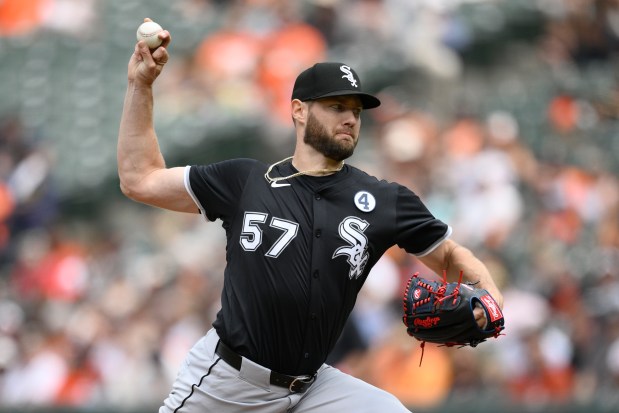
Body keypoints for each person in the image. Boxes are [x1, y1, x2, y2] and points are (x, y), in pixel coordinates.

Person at [117, 19, 504, 413]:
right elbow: (140, 179)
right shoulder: (245, 180)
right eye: (337, 107)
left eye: (356, 110)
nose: (350, 118)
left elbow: (452, 256)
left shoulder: (384, 199)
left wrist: (491, 303)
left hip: (312, 388)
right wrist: (141, 85)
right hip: (228, 385)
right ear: (299, 111)